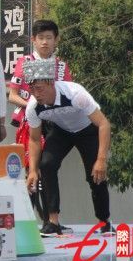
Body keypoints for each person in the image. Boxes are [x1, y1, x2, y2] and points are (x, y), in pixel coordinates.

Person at [24, 59, 113, 237]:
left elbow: (104, 124)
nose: (36, 94)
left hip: (87, 130)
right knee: (46, 165)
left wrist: (101, 159)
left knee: (95, 175)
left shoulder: (75, 94)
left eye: (39, 88)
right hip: (62, 131)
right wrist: (33, 170)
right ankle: (53, 222)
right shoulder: (33, 107)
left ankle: (104, 222)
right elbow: (34, 139)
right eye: (32, 89)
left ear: (51, 83)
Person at [8, 20, 72, 227]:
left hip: (54, 124)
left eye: (49, 38)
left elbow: (68, 95)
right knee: (31, 169)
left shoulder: (61, 66)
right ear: (33, 40)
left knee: (48, 168)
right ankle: (26, 221)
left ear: (56, 40)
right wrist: (33, 105)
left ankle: (51, 219)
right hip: (30, 123)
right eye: (41, 38)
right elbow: (12, 95)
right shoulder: (24, 62)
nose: (45, 42)